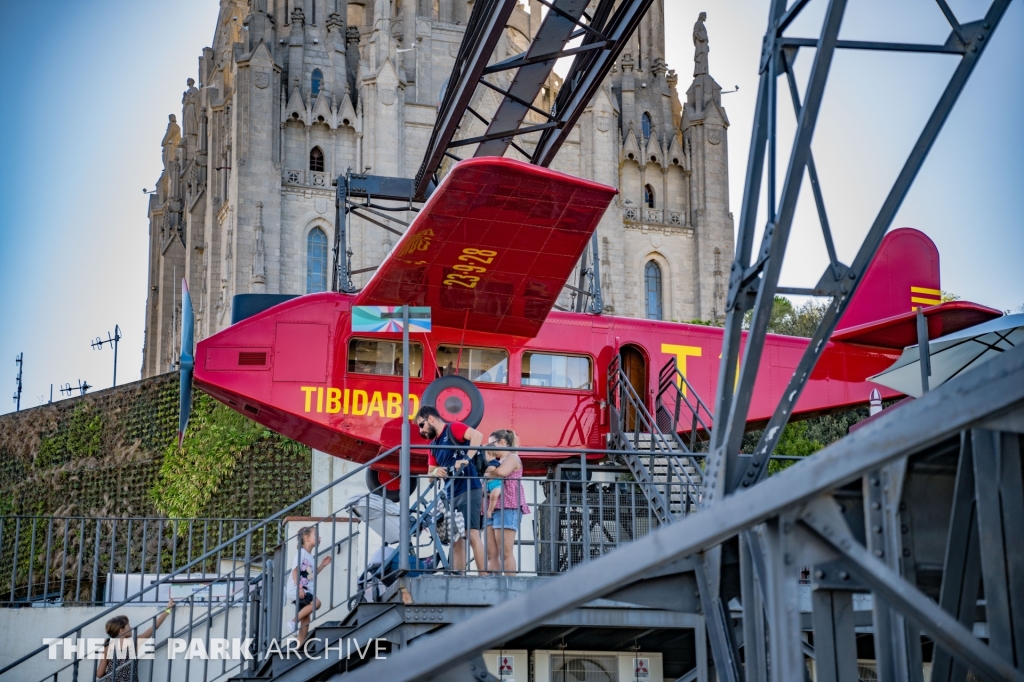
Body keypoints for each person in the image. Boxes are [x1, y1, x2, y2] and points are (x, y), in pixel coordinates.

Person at [416, 405, 487, 574]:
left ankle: (485, 576)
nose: (422, 431)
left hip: (469, 487)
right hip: (451, 494)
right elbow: (430, 475)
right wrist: (435, 471)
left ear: (431, 419)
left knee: (472, 534)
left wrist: (466, 459)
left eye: (421, 425)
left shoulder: (453, 428)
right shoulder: (433, 446)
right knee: (457, 539)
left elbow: (478, 435)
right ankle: (459, 577)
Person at [483, 429, 531, 574]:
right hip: (491, 506)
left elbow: (500, 472)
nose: (490, 448)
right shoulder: (496, 461)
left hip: (508, 506)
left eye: (492, 444)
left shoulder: (512, 458)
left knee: (505, 551)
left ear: (502, 442)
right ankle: (494, 585)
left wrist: (485, 472)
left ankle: (510, 584)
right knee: (491, 553)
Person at [96, 598, 175, 681]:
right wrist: (168, 610)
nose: (131, 628)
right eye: (128, 625)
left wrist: (112, 675)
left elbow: (99, 674)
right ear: (121, 630)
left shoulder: (108, 646)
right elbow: (155, 627)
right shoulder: (134, 642)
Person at [286, 526, 332, 645]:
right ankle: (293, 622)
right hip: (297, 589)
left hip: (301, 589)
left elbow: (310, 575)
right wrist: (299, 587)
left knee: (306, 618)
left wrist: (322, 565)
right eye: (316, 534)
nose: (319, 537)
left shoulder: (310, 557)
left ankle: (299, 647)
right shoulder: (301, 553)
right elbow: (295, 571)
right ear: (306, 538)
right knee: (317, 603)